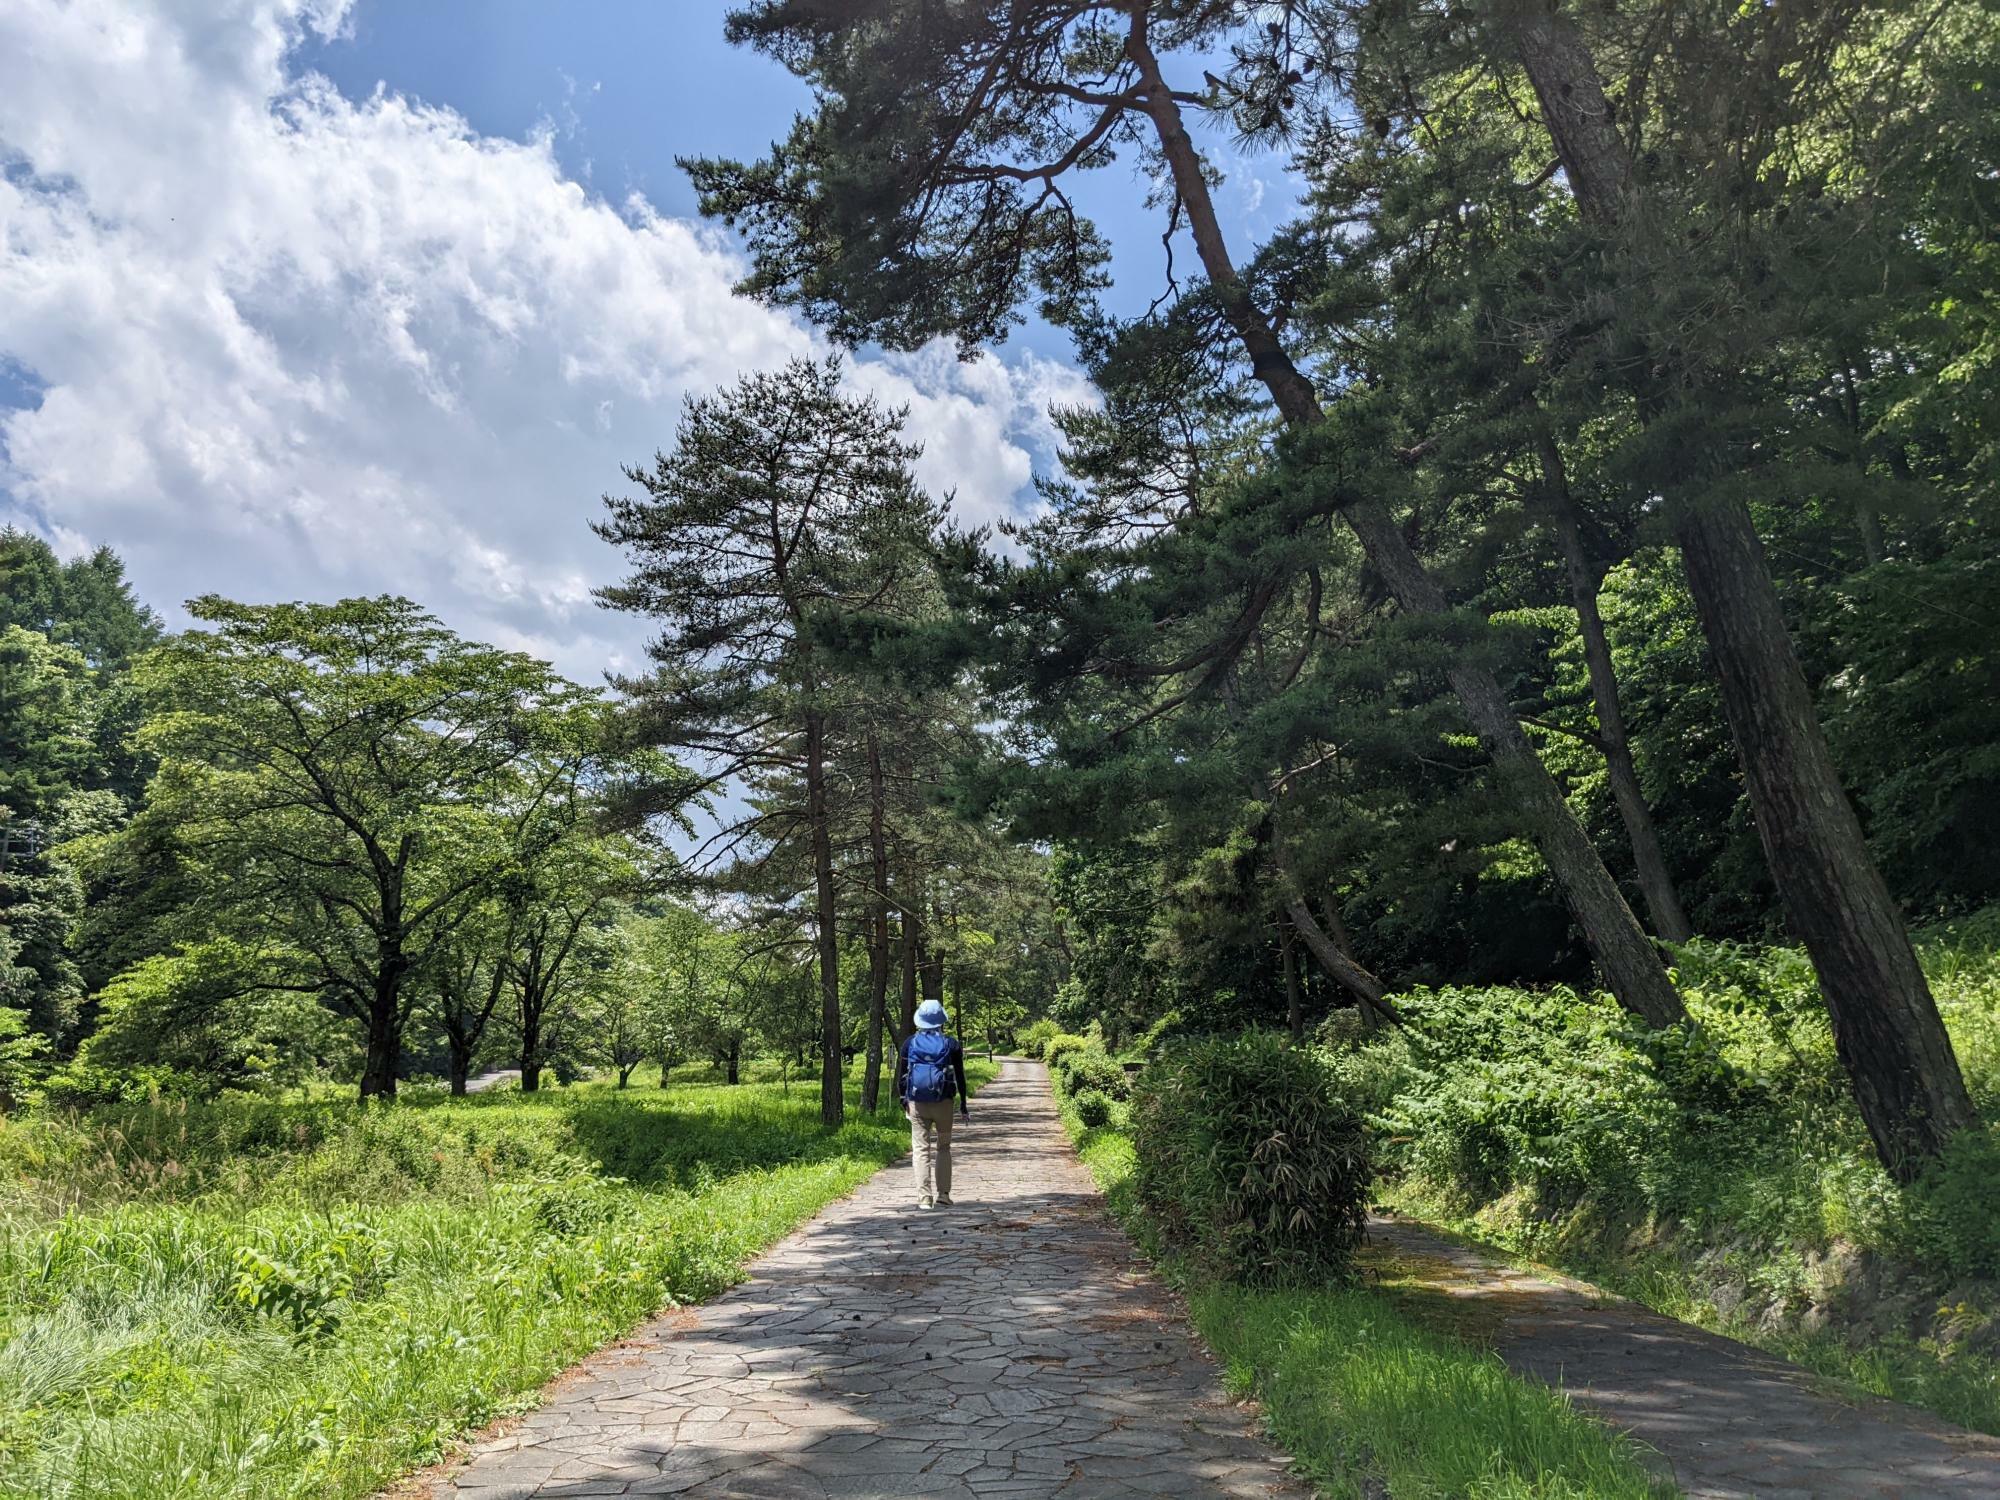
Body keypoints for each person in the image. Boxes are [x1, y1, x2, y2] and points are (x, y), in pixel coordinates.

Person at [895, 998, 970, 1209]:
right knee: (943, 1147)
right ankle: (944, 1195)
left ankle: (924, 1198)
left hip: (917, 1103)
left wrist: (904, 1101)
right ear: (941, 1021)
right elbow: (960, 1077)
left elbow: (902, 1076)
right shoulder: (951, 1044)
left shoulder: (910, 1043)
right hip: (944, 1103)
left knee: (920, 1149)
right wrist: (963, 1104)